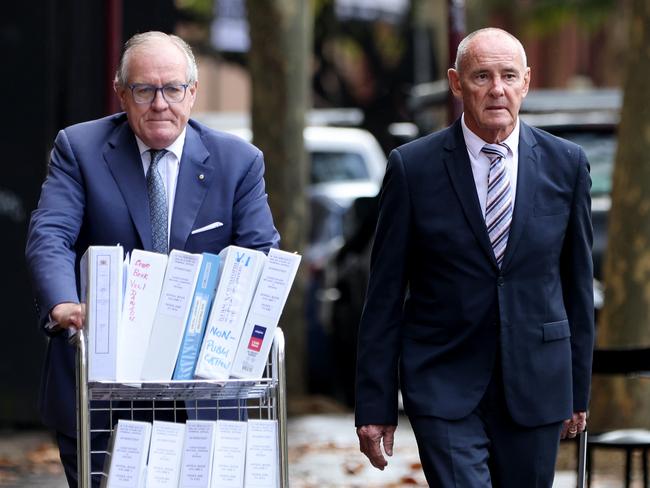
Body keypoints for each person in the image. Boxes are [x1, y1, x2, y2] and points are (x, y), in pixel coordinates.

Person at [25, 31, 279, 487]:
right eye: (144, 89)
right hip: (102, 385)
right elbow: (50, 234)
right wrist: (62, 303)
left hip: (202, 386)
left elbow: (261, 254)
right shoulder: (80, 150)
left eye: (172, 89)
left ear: (193, 92)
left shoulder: (239, 161)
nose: (160, 103)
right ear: (122, 93)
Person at [355, 27, 594, 487]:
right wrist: (374, 404)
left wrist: (577, 389)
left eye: (508, 75)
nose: (497, 89)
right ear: (456, 82)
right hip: (442, 382)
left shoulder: (567, 164)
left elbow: (577, 285)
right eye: (482, 76)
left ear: (526, 81)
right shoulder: (413, 168)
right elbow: (383, 295)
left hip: (537, 384)